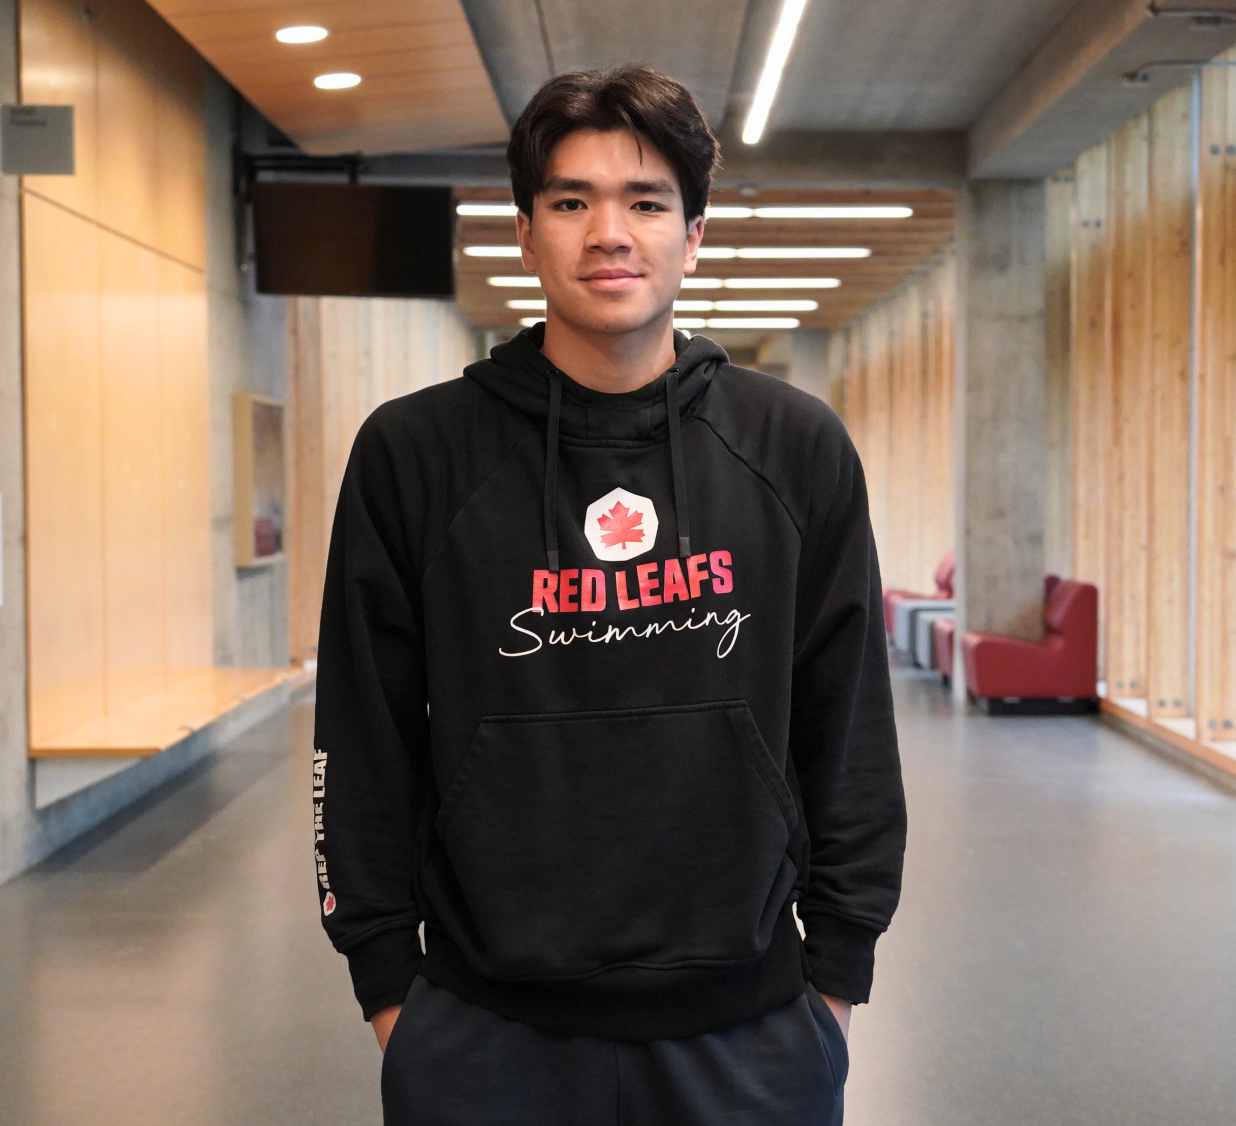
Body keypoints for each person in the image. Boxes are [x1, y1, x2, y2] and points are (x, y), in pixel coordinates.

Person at [313, 64, 906, 1126]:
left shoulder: (794, 447)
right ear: (525, 233)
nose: (609, 234)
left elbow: (849, 724)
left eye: (646, 202)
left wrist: (835, 983)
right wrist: (389, 989)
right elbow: (362, 735)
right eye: (569, 201)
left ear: (693, 235)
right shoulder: (415, 454)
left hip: (750, 1032)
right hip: (483, 1035)